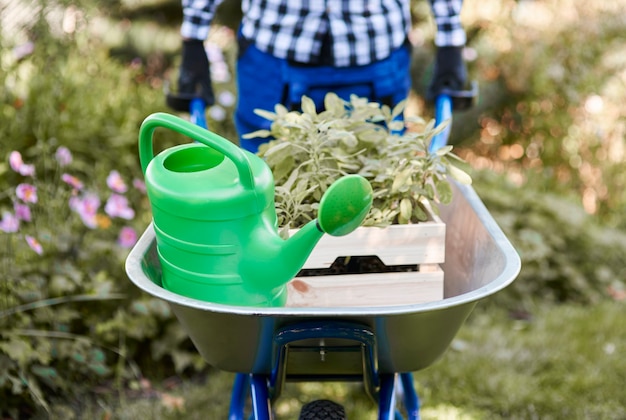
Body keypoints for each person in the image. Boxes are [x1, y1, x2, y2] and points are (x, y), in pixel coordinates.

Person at [177, 0, 467, 152]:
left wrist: (451, 37)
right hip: (273, 54)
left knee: (372, 183)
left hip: (374, 57)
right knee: (264, 181)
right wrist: (193, 36)